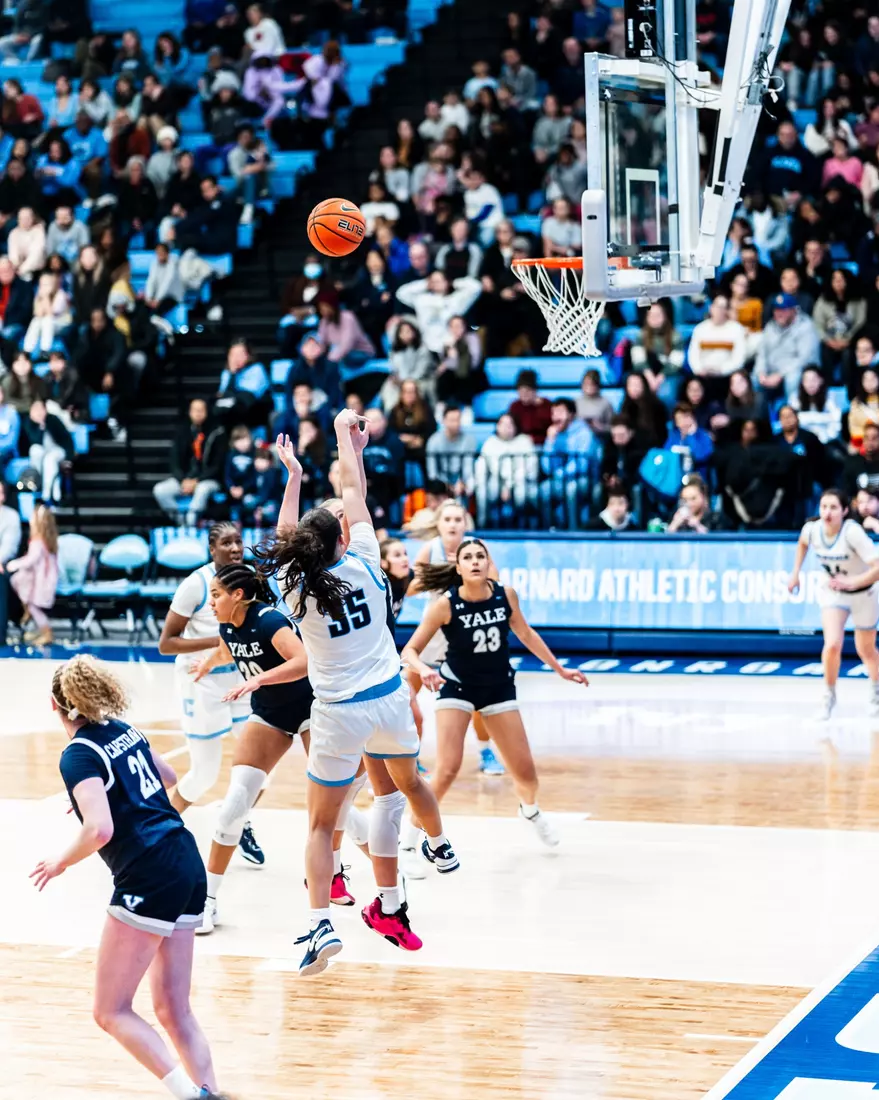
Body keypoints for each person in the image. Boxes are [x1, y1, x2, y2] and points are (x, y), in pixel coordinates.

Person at [256, 410, 459, 975]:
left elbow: (285, 537)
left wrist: (293, 477)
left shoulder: (294, 587)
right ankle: (430, 857)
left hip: (338, 715)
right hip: (391, 701)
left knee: (322, 826)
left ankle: (318, 921)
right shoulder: (370, 564)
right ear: (345, 537)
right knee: (405, 786)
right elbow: (354, 489)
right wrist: (349, 438)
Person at [33, 655, 230, 1100]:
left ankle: (190, 1095)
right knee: (173, 1008)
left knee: (110, 1010)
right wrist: (109, 796)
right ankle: (209, 1092)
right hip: (186, 861)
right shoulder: (125, 731)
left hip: (149, 875)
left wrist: (60, 861)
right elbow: (168, 776)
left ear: (55, 705)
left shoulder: (77, 754)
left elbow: (98, 829)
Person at [401, 537, 587, 847]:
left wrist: (560, 669)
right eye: (468, 557)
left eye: (480, 556)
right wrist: (423, 669)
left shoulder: (505, 596)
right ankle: (408, 838)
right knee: (447, 769)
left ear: (489, 565)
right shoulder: (445, 605)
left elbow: (526, 633)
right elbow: (409, 650)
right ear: (458, 568)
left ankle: (529, 811)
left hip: (498, 687)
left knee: (527, 775)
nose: (475, 561)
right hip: (457, 686)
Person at [189, 562, 315, 933]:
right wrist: (207, 665)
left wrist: (258, 679)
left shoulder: (270, 620)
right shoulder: (228, 624)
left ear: (238, 595)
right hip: (271, 715)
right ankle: (207, 902)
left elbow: (304, 661)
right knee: (232, 806)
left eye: (215, 595)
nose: (210, 603)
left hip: (313, 709)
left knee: (334, 811)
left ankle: (390, 886)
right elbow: (229, 648)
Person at [157, 522, 265, 867]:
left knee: (261, 767)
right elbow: (166, 643)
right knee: (204, 773)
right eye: (226, 542)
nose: (235, 548)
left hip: (240, 678)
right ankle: (158, 832)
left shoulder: (249, 578)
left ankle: (238, 820)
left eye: (238, 541)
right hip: (199, 680)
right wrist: (220, 642)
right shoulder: (196, 584)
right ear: (212, 549)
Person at [788, 488, 879, 720]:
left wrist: (853, 581)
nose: (827, 512)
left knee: (865, 649)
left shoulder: (853, 533)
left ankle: (876, 691)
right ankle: (828, 696)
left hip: (864, 591)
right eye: (823, 507)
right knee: (832, 644)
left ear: (845, 510)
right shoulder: (812, 530)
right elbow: (802, 544)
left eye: (833, 507)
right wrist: (795, 573)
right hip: (834, 592)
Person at [153, 398, 227, 526]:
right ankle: (182, 523)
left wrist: (197, 480)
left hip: (208, 479)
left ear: (207, 412)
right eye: (194, 410)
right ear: (189, 412)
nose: (198, 413)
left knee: (202, 489)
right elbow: (174, 460)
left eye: (201, 410)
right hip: (185, 479)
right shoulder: (182, 431)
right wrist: (183, 480)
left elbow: (217, 465)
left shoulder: (217, 432)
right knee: (160, 490)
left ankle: (191, 524)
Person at [7, 503, 58, 646]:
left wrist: (14, 564)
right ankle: (31, 618)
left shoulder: (38, 542)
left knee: (33, 606)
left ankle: (47, 632)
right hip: (44, 578)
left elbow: (30, 560)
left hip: (41, 581)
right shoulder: (48, 540)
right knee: (17, 581)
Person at [755, 294, 822, 399]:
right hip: (772, 372)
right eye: (776, 310)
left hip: (795, 372)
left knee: (793, 379)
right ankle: (758, 414)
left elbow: (804, 359)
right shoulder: (770, 326)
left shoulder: (806, 327)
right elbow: (762, 353)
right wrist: (761, 372)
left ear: (794, 310)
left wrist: (780, 375)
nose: (779, 314)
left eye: (783, 310)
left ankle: (792, 411)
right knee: (753, 379)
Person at [23, 399, 74, 503]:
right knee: (35, 450)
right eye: (35, 409)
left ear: (45, 410)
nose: (38, 412)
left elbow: (67, 439)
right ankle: (38, 484)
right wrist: (40, 426)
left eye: (40, 409)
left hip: (58, 450)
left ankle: (51, 495)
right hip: (41, 453)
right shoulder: (28, 422)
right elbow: (35, 440)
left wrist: (69, 458)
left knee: (49, 459)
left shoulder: (53, 419)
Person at [666, 475, 731, 533]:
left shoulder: (716, 519)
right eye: (685, 500)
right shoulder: (677, 519)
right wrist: (674, 525)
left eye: (693, 498)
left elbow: (719, 542)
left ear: (703, 496)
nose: (689, 503)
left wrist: (697, 525)